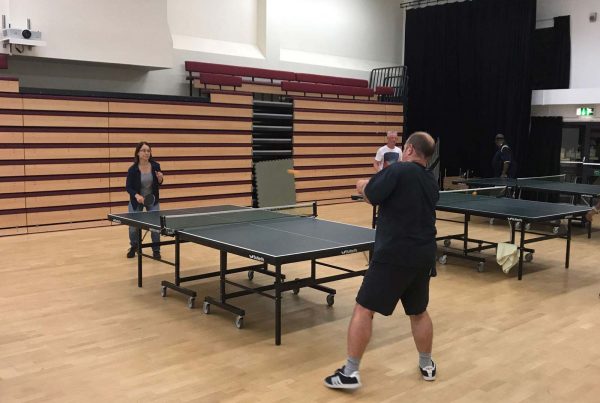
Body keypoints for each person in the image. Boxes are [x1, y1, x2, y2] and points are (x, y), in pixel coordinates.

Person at [324, 131, 439, 390]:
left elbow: (371, 195)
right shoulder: (431, 181)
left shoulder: (398, 170)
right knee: (418, 312)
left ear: (408, 149)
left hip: (394, 255)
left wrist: (362, 184)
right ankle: (427, 364)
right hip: (423, 255)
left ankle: (350, 373)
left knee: (364, 309)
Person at [125, 141, 164, 259]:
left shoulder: (156, 166)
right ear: (138, 153)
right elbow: (128, 187)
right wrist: (136, 195)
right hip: (137, 200)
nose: (146, 153)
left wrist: (161, 179)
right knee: (133, 227)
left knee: (155, 226)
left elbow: (159, 183)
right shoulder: (132, 169)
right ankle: (134, 246)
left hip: (152, 199)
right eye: (143, 150)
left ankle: (156, 250)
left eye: (148, 150)